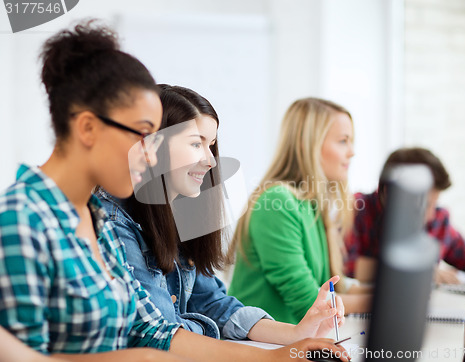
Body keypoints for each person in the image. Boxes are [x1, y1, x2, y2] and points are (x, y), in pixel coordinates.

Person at [0, 21, 349, 362]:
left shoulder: (96, 218)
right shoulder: (23, 219)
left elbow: (152, 330)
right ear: (88, 127)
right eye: (142, 135)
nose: (151, 155)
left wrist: (282, 350)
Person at [97, 84, 346, 344]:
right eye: (196, 144)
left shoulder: (180, 213)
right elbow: (164, 334)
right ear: (152, 146)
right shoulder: (115, 222)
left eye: (211, 145)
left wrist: (296, 335)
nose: (211, 160)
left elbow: (213, 303)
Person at [228, 98, 372, 321]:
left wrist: (388, 291)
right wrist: (384, 301)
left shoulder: (313, 204)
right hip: (261, 347)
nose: (352, 152)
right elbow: (311, 303)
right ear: (309, 144)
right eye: (343, 141)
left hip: (289, 342)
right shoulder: (277, 203)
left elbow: (331, 284)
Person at [344, 147, 465, 284]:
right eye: (425, 205)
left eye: (434, 203)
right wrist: (419, 272)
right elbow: (344, 265)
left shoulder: (438, 219)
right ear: (389, 193)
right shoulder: (356, 209)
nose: (431, 215)